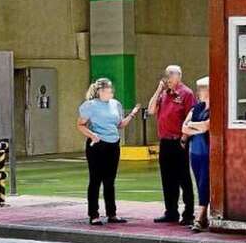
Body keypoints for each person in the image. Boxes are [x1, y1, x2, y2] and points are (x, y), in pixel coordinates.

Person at [77, 78, 140, 226]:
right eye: (107, 91)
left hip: (113, 144)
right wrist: (92, 135)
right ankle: (94, 214)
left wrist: (132, 114)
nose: (110, 93)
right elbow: (80, 124)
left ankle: (112, 213)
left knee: (110, 181)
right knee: (95, 180)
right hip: (97, 145)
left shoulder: (116, 104)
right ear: (99, 91)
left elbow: (119, 124)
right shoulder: (90, 106)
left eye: (111, 90)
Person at [148, 65, 196, 225]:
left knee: (183, 178)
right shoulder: (163, 94)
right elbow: (151, 110)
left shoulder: (186, 94)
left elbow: (192, 118)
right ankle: (171, 211)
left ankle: (189, 213)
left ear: (179, 76)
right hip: (165, 141)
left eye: (170, 75)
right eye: (165, 75)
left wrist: (184, 137)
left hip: (179, 141)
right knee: (167, 179)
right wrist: (158, 90)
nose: (167, 78)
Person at [182, 76, 210, 232]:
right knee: (199, 182)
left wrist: (192, 126)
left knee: (204, 182)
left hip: (207, 152)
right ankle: (204, 214)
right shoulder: (197, 108)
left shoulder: (215, 109)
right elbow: (184, 129)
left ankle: (200, 217)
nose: (199, 92)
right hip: (195, 152)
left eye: (203, 88)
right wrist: (195, 127)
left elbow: (207, 126)